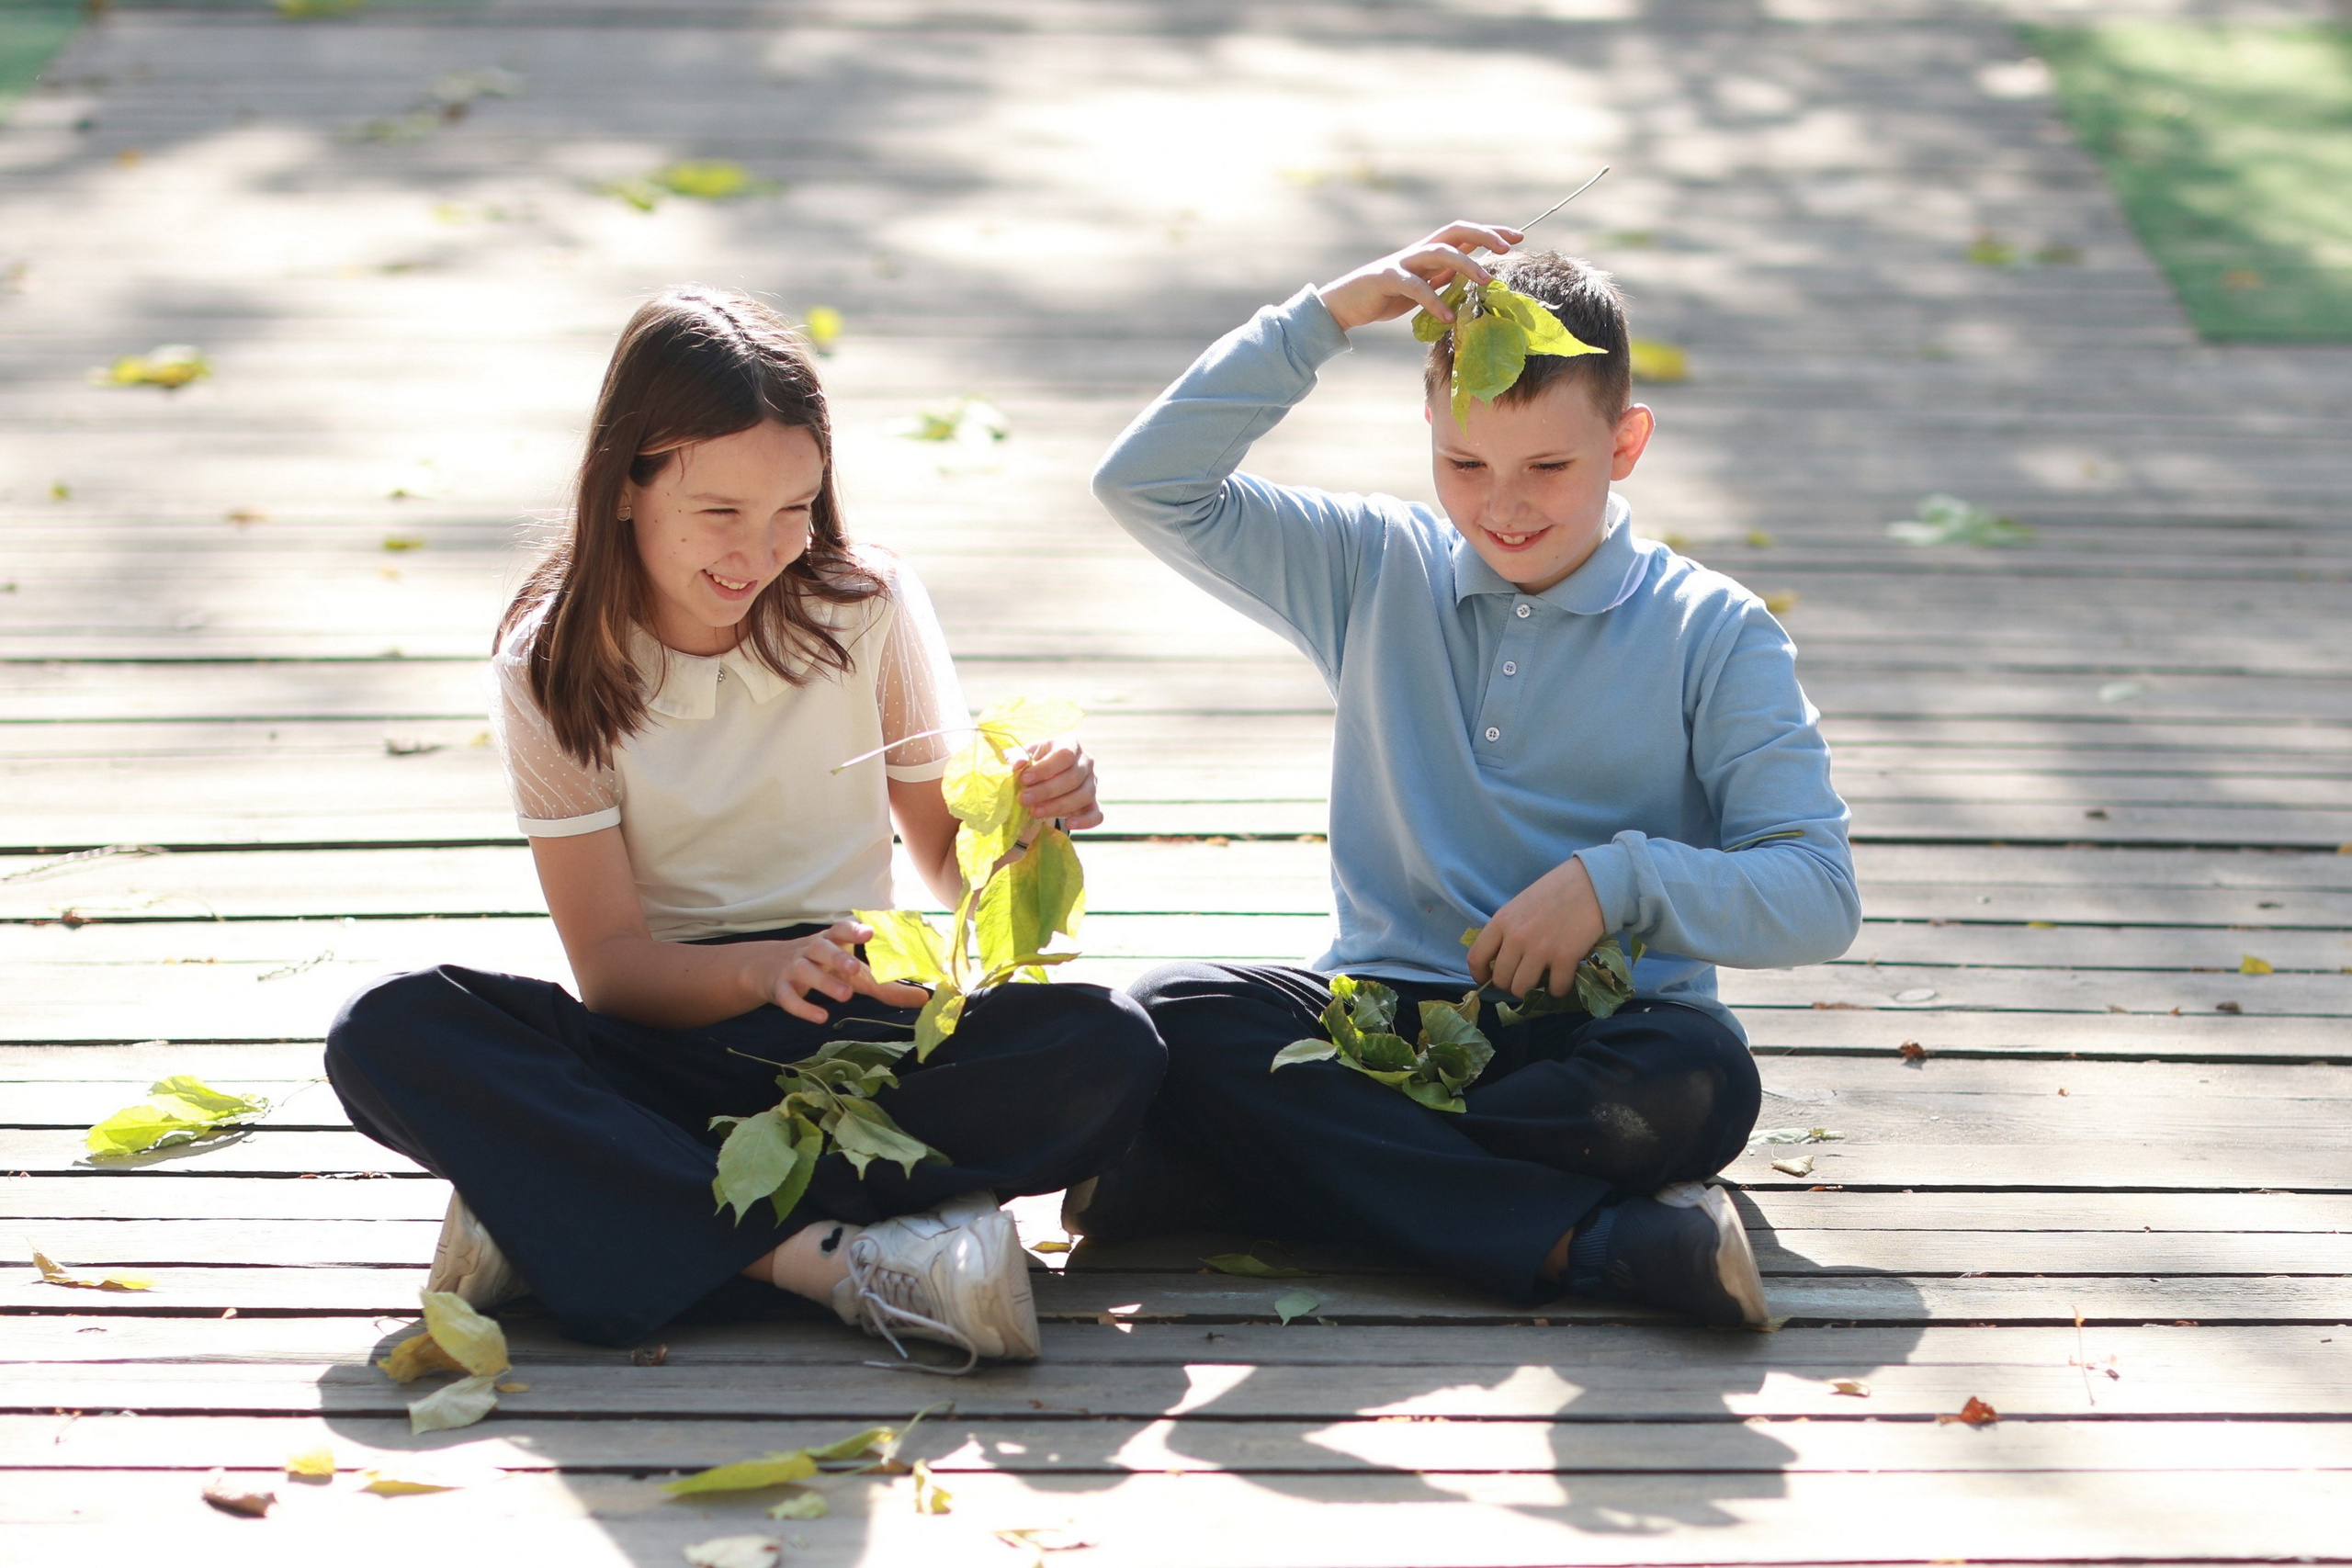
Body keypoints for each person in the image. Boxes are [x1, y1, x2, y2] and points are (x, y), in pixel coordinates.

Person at [325, 286, 1164, 1369]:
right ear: (625, 486)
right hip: (665, 1042)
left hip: (859, 1026)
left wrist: (1030, 826)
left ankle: (571, 1209)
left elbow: (952, 870)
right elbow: (613, 967)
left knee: (1109, 1048)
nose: (758, 549)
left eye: (793, 509)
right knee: (388, 1029)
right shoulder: (549, 664)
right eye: (717, 512)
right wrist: (764, 972)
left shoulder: (865, 606)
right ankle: (821, 1259)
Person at [1077, 224, 1860, 1326]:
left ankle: (1245, 1174)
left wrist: (1615, 884)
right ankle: (1594, 1244)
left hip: (1602, 1038)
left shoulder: (1714, 630)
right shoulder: (1369, 564)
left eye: (1548, 466)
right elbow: (1145, 482)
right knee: (1166, 1013)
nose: (1503, 505)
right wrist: (1323, 319)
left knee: (1699, 1084)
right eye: (1464, 464)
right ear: (1429, 436)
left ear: (1626, 441)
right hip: (1379, 1021)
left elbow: (1818, 896)